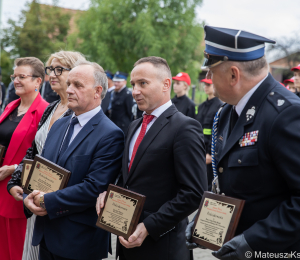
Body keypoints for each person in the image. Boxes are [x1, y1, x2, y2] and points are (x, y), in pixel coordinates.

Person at [186, 25, 300, 259]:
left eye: (211, 70)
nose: (207, 78)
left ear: (233, 75)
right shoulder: (227, 112)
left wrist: (252, 241)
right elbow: (228, 181)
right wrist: (203, 222)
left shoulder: (286, 115)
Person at [96, 56, 207, 260]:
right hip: (128, 243)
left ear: (166, 84)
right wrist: (109, 193)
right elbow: (129, 177)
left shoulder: (184, 127)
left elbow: (193, 193)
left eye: (143, 83)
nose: (135, 91)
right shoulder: (134, 126)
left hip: (162, 246)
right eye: (133, 84)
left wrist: (149, 226)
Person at [23, 60, 124, 260]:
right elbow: (43, 170)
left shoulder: (111, 134)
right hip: (45, 236)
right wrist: (29, 198)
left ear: (97, 91)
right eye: (69, 84)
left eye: (77, 85)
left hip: (78, 242)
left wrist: (46, 201)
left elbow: (94, 188)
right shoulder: (59, 125)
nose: (69, 90)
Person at [7, 50, 86, 260]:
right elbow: (33, 152)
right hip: (35, 195)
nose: (52, 74)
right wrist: (15, 182)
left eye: (59, 69)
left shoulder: (77, 112)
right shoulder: (52, 108)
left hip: (57, 201)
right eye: (50, 69)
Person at [0, 57, 49, 260]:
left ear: (38, 81)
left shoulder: (45, 111)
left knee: (16, 250)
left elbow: (44, 154)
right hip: (0, 185)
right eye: (14, 76)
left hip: (17, 188)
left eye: (22, 77)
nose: (16, 81)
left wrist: (12, 168)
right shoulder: (11, 105)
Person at [196, 78, 223, 191]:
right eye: (205, 84)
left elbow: (217, 131)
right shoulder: (201, 106)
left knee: (208, 184)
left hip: (209, 153)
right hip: (198, 148)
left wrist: (210, 153)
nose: (206, 86)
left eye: (209, 84)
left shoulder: (220, 106)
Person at [110, 71, 134, 136]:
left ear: (124, 82)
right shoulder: (114, 92)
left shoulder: (127, 94)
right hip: (114, 125)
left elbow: (130, 113)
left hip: (123, 128)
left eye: (118, 82)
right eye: (115, 81)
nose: (116, 84)